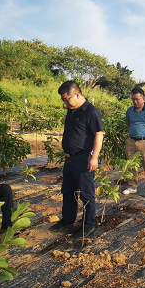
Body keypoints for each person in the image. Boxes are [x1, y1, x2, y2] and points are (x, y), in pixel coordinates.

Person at [51, 81, 104, 236]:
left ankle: (88, 225)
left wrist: (94, 157)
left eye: (68, 99)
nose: (66, 102)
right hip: (70, 159)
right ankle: (68, 219)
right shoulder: (72, 110)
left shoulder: (91, 111)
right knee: (68, 191)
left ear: (78, 94)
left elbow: (99, 134)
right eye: (63, 100)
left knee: (86, 194)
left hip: (84, 158)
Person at [122, 87, 145, 199]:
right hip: (131, 141)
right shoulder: (130, 110)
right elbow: (128, 124)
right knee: (131, 165)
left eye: (137, 99)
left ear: (143, 98)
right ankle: (132, 187)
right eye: (133, 99)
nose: (135, 102)